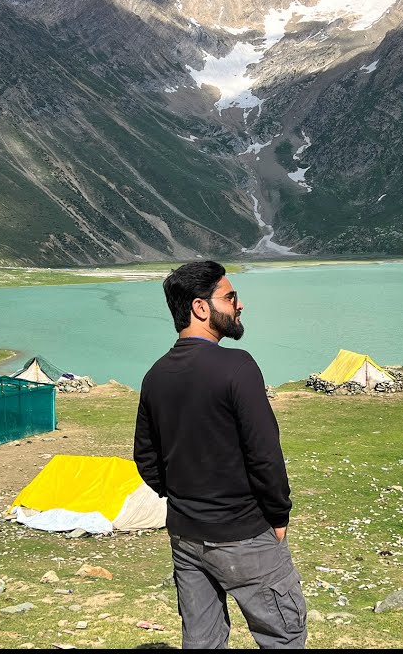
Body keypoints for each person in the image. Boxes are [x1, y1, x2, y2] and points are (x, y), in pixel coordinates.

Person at [134, 260, 307, 649]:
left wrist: (183, 498)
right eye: (230, 297)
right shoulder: (237, 366)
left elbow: (145, 458)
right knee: (284, 634)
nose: (239, 304)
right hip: (244, 533)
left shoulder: (156, 374)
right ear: (200, 307)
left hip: (185, 534)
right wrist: (278, 514)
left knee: (202, 639)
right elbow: (264, 453)